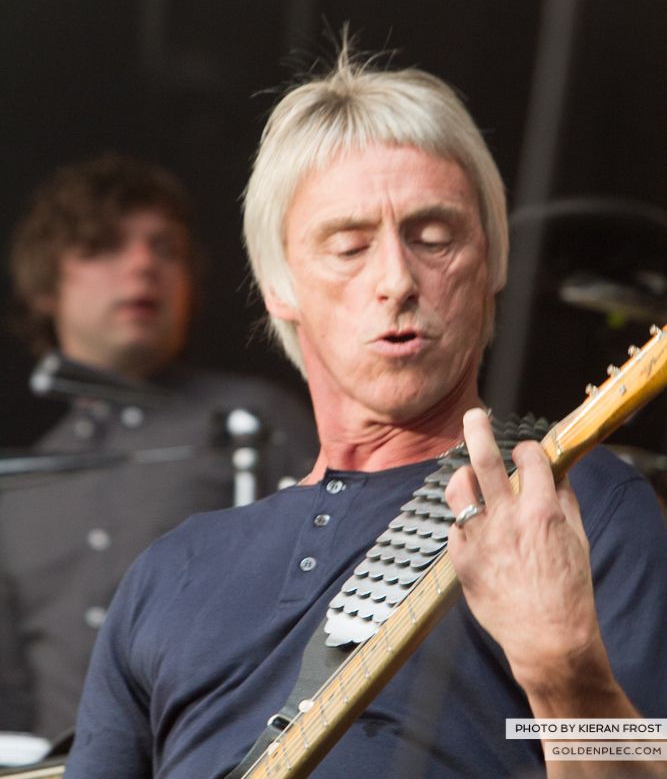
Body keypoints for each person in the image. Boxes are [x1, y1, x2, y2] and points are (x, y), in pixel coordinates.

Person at [65, 52, 667, 779]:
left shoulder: (574, 504)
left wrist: (563, 670)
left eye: (434, 238)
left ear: (493, 261)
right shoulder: (168, 573)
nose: (396, 281)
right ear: (278, 285)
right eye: (349, 245)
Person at [0, 154, 317, 743]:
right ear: (45, 286)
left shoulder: (256, 418)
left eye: (165, 248)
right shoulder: (18, 483)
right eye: (105, 247)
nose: (144, 264)